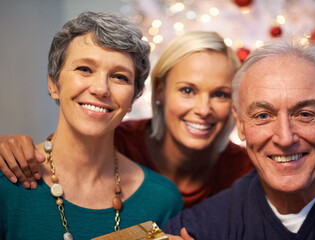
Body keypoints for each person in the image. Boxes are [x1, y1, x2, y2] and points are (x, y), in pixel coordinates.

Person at [0, 31, 315, 209]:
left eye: (219, 95)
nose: (203, 109)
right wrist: (12, 147)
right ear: (158, 92)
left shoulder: (249, 167)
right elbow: (54, 159)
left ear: (236, 107)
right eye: (187, 90)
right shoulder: (115, 139)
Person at [0, 11, 183, 240]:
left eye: (120, 77)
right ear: (53, 84)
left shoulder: (163, 200)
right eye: (84, 69)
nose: (101, 89)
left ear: (132, 101)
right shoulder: (6, 184)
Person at [162, 36, 315, 239]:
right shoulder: (197, 228)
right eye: (263, 116)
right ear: (240, 124)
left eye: (304, 114)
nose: (285, 138)